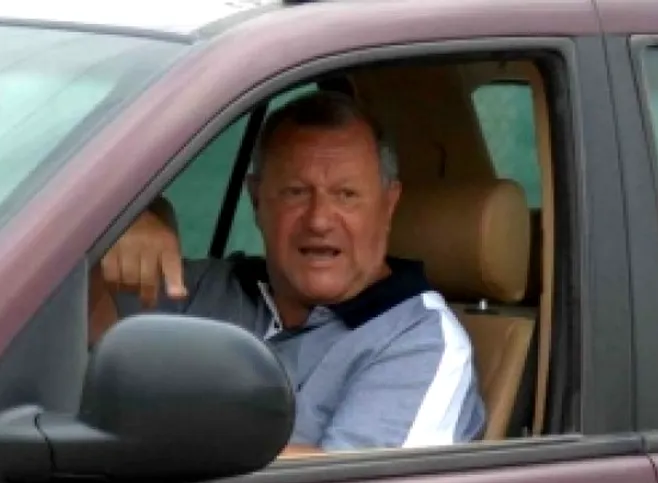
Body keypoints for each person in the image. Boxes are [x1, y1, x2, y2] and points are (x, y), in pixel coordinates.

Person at [89, 90, 485, 457]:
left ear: (388, 205)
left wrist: (159, 441)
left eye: (346, 195)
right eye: (296, 192)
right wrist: (117, 226)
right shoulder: (208, 286)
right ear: (256, 200)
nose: (319, 220)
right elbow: (80, 332)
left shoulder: (419, 339)